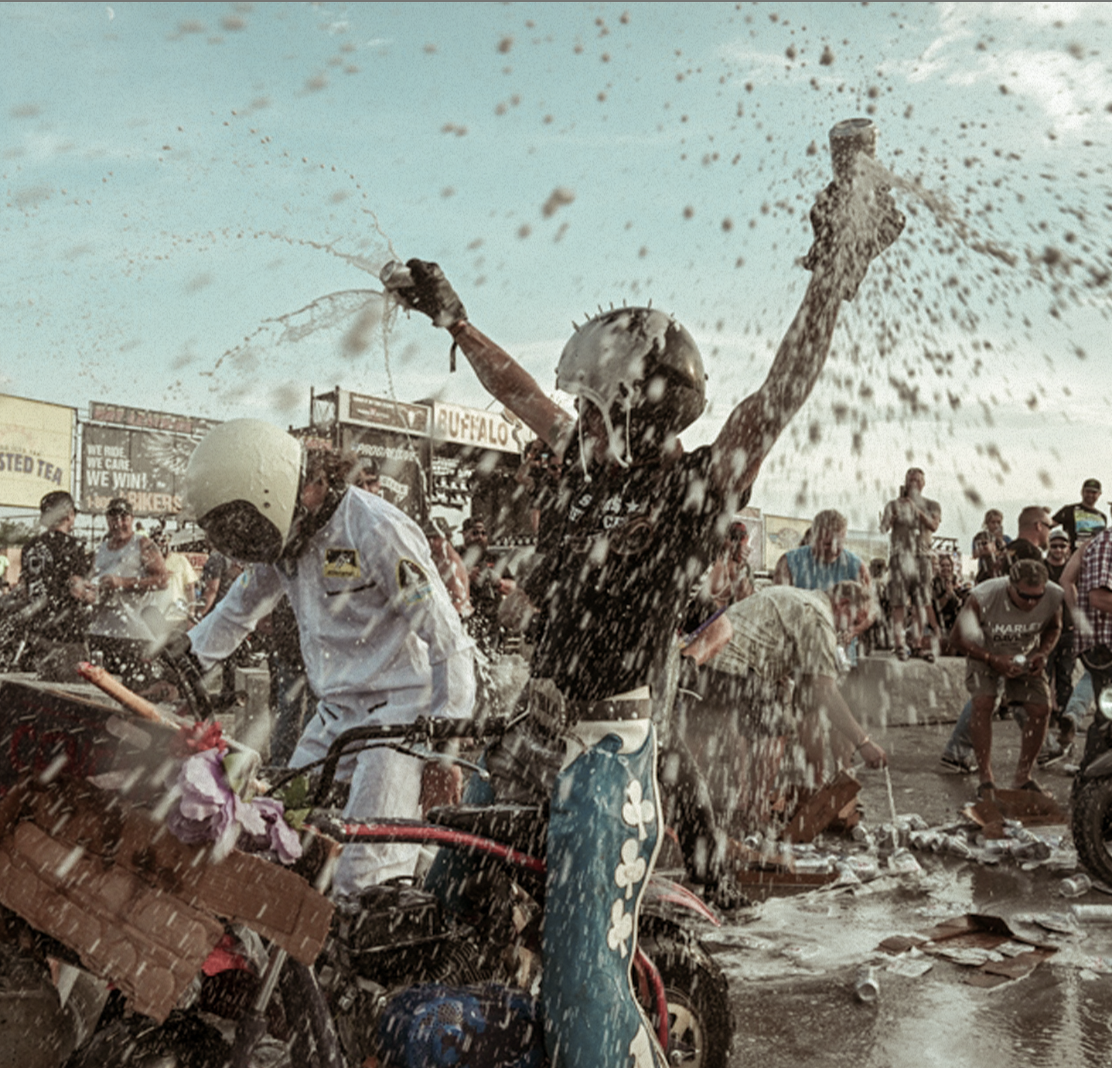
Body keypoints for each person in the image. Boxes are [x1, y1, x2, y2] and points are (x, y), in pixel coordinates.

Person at [385, 162, 903, 1068]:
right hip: (526, 737)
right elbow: (515, 390)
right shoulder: (586, 463)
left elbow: (775, 397)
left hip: (608, 758)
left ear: (635, 409)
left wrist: (833, 276)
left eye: (592, 404)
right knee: (441, 908)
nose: (574, 418)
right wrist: (456, 320)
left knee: (587, 983)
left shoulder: (691, 487)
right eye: (579, 405)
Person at [183, 426, 476, 895]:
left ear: (277, 494)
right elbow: (237, 608)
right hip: (335, 715)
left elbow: (449, 643)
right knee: (280, 832)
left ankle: (378, 949)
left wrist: (445, 752)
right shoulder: (285, 536)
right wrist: (185, 661)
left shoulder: (376, 528)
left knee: (364, 875)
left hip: (400, 720)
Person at [948, 559, 1063, 796]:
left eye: (1037, 597)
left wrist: (1042, 653)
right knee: (983, 703)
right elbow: (957, 638)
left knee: (1041, 708)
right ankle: (985, 777)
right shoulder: (983, 596)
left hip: (1025, 655)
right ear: (1010, 586)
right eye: (1024, 596)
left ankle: (1023, 776)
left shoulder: (1053, 594)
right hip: (984, 651)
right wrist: (992, 659)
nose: (1031, 603)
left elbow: (1054, 627)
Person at [75, 497, 168, 688]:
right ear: (107, 520)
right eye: (113, 518)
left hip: (134, 634)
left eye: (123, 518)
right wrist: (88, 590)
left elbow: (163, 580)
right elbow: (93, 581)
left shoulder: (143, 544)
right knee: (100, 690)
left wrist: (123, 582)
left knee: (135, 691)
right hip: (102, 632)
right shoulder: (102, 548)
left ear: (132, 518)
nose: (118, 524)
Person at [880, 468, 941, 660]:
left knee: (920, 603)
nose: (913, 482)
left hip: (922, 556)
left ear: (923, 483)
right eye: (910, 479)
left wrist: (916, 511)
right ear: (905, 482)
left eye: (917, 479)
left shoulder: (932, 504)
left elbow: (934, 525)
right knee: (898, 602)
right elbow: (883, 528)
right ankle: (899, 644)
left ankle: (916, 644)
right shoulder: (894, 503)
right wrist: (890, 518)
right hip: (900, 556)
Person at [16, 491, 91, 645]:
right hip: (64, 632)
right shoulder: (73, 546)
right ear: (69, 514)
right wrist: (95, 595)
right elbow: (76, 590)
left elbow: (23, 590)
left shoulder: (29, 546)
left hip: (34, 631)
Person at [1053, 478, 1108, 551]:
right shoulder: (1069, 510)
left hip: (1093, 557)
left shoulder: (1102, 517)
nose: (1090, 495)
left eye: (1094, 492)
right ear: (1082, 492)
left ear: (1099, 494)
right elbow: (1048, 525)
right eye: (1087, 491)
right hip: (1072, 556)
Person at [972, 508, 1011, 584]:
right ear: (987, 524)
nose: (996, 525)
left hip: (1002, 574)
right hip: (985, 573)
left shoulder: (1006, 539)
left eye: (998, 522)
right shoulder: (980, 537)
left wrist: (1000, 541)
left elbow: (1010, 553)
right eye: (993, 522)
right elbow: (975, 554)